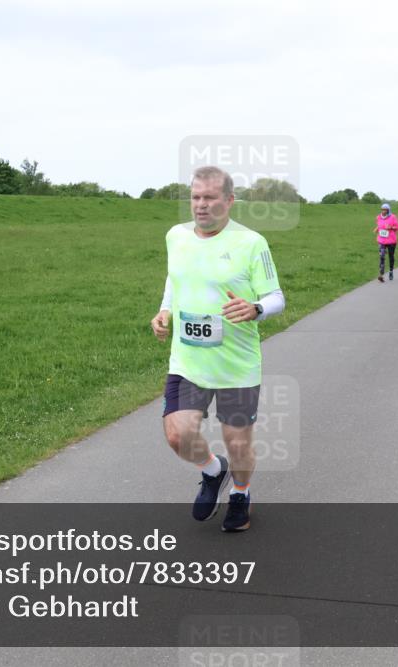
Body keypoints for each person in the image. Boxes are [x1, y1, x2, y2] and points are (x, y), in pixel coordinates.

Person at [150, 166, 285, 532]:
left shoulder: (251, 243)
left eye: (210, 198)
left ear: (229, 201)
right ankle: (213, 470)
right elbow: (174, 277)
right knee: (177, 435)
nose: (201, 205)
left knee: (237, 443)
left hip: (236, 365)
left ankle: (240, 492)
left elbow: (277, 297)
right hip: (188, 359)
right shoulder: (176, 236)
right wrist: (165, 309)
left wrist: (255, 308)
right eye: (196, 197)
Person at [376, 203, 398, 281]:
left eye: (385, 210)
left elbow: (397, 227)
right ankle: (381, 273)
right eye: (382, 209)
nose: (383, 211)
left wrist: (390, 227)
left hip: (391, 240)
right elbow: (380, 225)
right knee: (382, 256)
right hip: (381, 240)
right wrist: (377, 229)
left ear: (388, 210)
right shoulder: (378, 217)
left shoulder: (393, 217)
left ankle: (391, 271)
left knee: (391, 256)